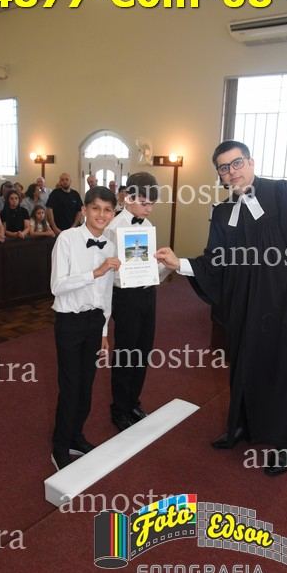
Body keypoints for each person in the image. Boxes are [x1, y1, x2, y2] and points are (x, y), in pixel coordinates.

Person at [156, 140, 287, 476]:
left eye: (236, 163)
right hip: (244, 306)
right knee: (243, 365)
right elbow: (215, 261)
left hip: (286, 304)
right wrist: (179, 263)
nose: (232, 172)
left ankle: (285, 442)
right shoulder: (223, 212)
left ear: (250, 162)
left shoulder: (284, 194)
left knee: (285, 372)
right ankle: (242, 426)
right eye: (224, 168)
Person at [50, 186, 121, 470]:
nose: (101, 215)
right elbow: (57, 286)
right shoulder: (66, 239)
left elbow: (106, 293)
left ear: (113, 213)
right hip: (69, 321)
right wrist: (95, 272)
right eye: (96, 208)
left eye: (107, 210)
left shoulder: (111, 245)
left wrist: (103, 331)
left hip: (94, 322)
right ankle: (59, 446)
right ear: (84, 210)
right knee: (70, 387)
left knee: (87, 385)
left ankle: (76, 436)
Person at [105, 172, 169, 431]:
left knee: (143, 350)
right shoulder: (113, 228)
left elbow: (149, 267)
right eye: (144, 203)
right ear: (129, 197)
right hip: (125, 297)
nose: (149, 209)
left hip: (147, 294)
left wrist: (164, 267)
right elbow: (108, 272)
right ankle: (119, 408)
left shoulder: (147, 225)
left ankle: (133, 401)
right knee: (126, 352)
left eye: (152, 204)